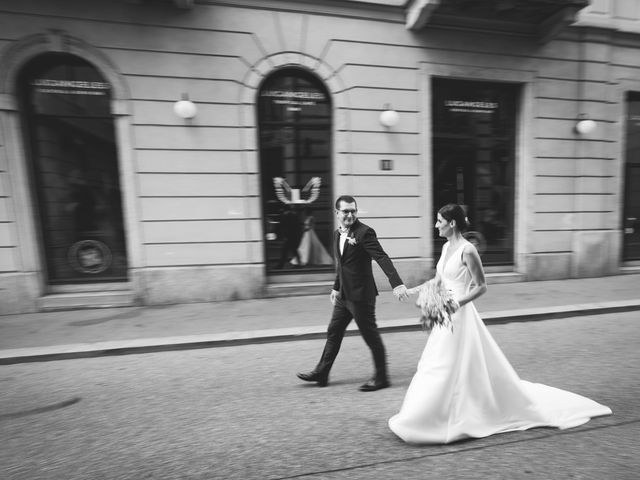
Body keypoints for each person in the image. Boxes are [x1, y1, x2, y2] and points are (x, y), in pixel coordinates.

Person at [388, 203, 612, 444]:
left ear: (452, 224)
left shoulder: (468, 250)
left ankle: (454, 416)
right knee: (439, 365)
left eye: (439, 221)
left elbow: (481, 286)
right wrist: (412, 290)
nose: (436, 225)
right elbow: (438, 280)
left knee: (451, 366)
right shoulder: (445, 247)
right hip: (446, 315)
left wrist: (457, 304)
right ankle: (434, 414)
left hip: (460, 314)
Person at [297, 195, 410, 391]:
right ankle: (322, 373)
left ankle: (382, 377)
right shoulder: (336, 234)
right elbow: (342, 265)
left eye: (353, 211)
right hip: (344, 296)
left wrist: (397, 283)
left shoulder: (364, 233)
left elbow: (382, 257)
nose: (350, 215)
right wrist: (335, 287)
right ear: (337, 213)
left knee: (370, 336)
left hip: (361, 296)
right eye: (346, 211)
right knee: (333, 331)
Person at [276, 204, 303, 269]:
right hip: (294, 236)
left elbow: (284, 227)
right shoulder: (295, 215)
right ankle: (299, 264)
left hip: (288, 236)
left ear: (284, 209)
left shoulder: (285, 215)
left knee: (285, 251)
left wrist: (284, 236)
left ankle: (281, 265)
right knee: (294, 251)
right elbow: (298, 226)